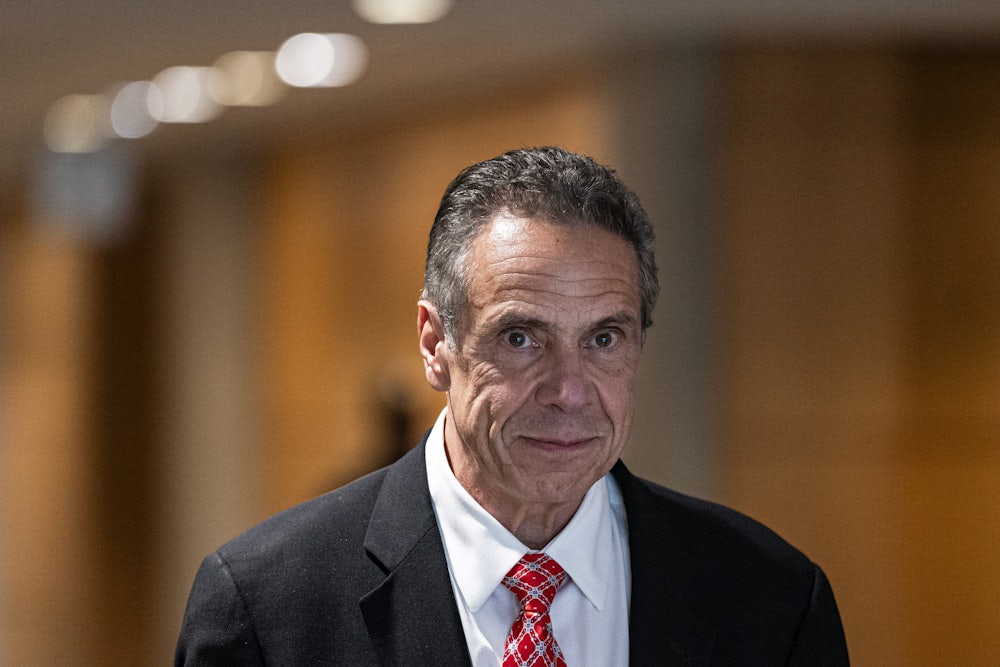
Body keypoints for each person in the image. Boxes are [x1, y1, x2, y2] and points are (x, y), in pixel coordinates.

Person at [175, 146, 849, 665]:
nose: (570, 390)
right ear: (435, 343)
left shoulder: (772, 601)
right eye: (522, 337)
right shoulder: (267, 610)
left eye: (604, 338)